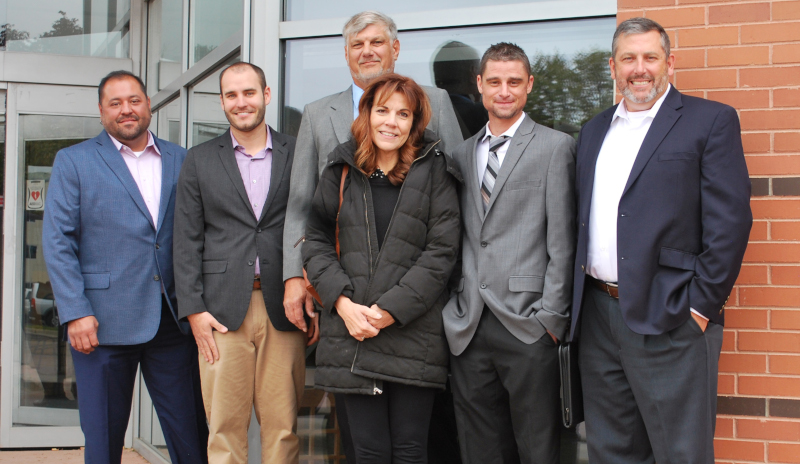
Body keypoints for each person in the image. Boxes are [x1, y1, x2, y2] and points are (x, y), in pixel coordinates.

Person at [282, 11, 464, 461]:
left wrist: (389, 311)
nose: (392, 121)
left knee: (410, 448)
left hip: (410, 326)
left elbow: (444, 245)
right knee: (365, 449)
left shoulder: (434, 160)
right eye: (383, 111)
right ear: (367, 113)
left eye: (403, 114)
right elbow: (311, 225)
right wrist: (337, 301)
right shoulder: (340, 166)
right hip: (350, 323)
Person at [571, 18, 752, 464]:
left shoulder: (709, 121)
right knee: (611, 449)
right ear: (612, 67)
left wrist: (700, 308)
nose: (639, 68)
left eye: (650, 57)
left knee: (680, 452)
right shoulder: (594, 130)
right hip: (598, 315)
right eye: (628, 58)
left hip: (671, 313)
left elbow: (730, 223)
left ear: (669, 63)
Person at [42, 70, 208, 464]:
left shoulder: (180, 157)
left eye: (134, 100)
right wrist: (76, 311)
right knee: (103, 440)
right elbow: (58, 241)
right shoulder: (74, 161)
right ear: (101, 112)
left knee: (190, 435)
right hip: (101, 325)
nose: (126, 110)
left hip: (171, 321)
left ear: (148, 104)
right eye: (115, 103)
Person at [442, 42, 576, 464]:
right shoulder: (461, 154)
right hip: (469, 324)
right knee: (479, 448)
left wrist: (550, 318)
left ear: (529, 85)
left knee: (537, 448)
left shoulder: (556, 147)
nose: (504, 91)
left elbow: (563, 241)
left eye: (514, 82)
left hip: (527, 322)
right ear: (479, 85)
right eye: (495, 81)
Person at [173, 62, 306, 464]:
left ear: (266, 94)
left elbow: (313, 225)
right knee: (224, 429)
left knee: (282, 428)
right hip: (219, 311)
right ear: (222, 102)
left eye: (249, 92)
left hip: (283, 306)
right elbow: (186, 239)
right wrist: (194, 309)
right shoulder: (198, 160)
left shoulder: (298, 152)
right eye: (231, 95)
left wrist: (307, 285)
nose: (241, 102)